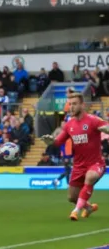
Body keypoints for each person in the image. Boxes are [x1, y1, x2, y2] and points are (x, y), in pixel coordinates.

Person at [41, 92, 109, 220]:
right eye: (70, 104)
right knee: (72, 197)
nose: (71, 107)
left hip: (96, 164)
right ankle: (88, 207)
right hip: (78, 166)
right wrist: (51, 142)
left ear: (82, 105)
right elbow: (58, 142)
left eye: (74, 104)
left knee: (90, 176)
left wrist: (106, 129)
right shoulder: (69, 125)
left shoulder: (93, 120)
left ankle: (75, 211)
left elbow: (106, 127)